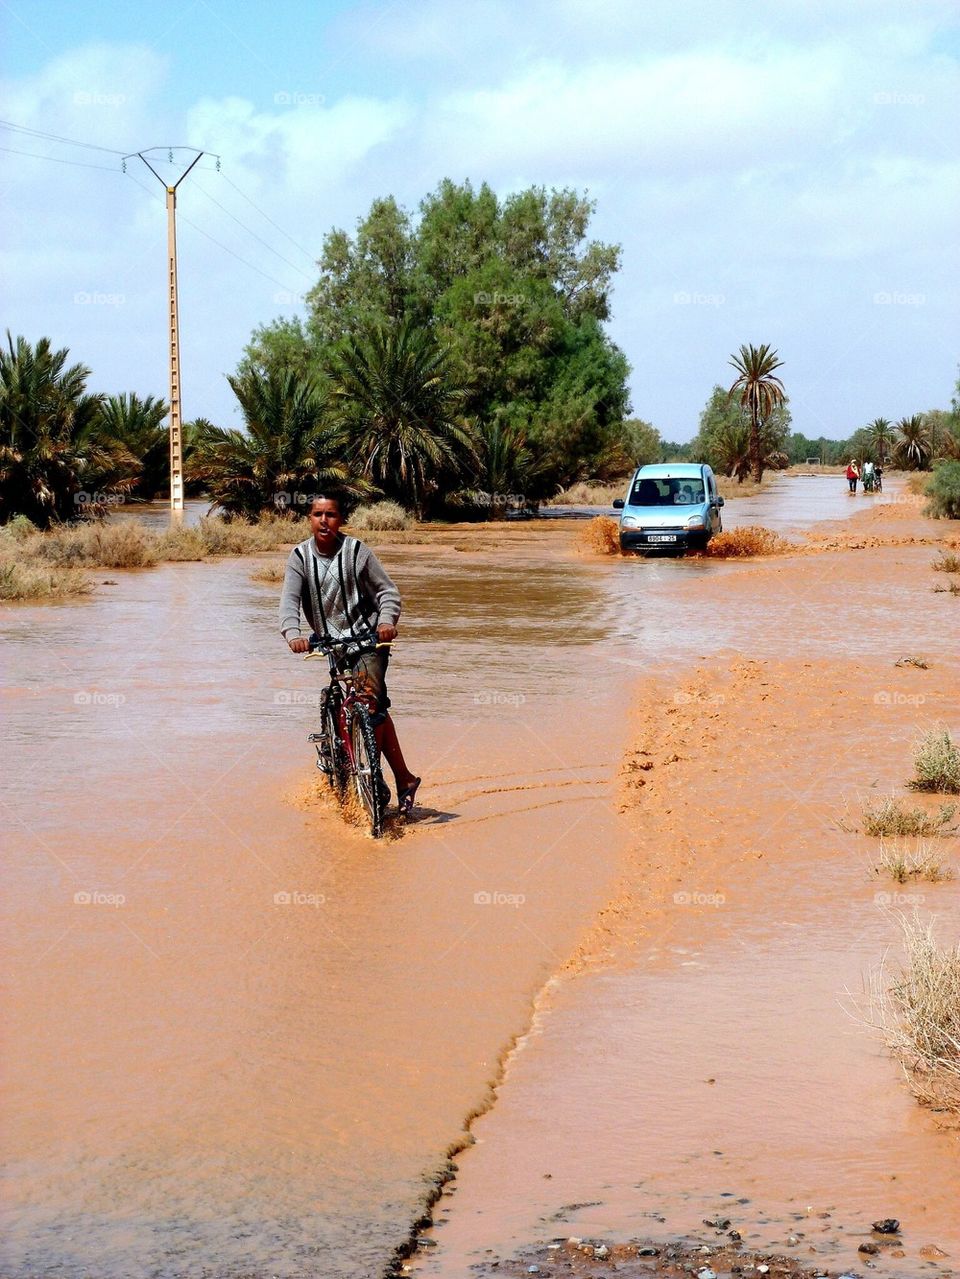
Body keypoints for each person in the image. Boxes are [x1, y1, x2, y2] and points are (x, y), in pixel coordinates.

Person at [279, 494, 421, 815]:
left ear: (341, 519)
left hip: (367, 639)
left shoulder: (357, 552)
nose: (324, 521)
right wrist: (293, 634)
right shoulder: (299, 557)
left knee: (369, 703)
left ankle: (396, 777)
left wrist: (386, 622)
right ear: (309, 518)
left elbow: (387, 592)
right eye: (318, 514)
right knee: (351, 705)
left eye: (331, 514)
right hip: (330, 642)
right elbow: (288, 601)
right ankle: (369, 769)